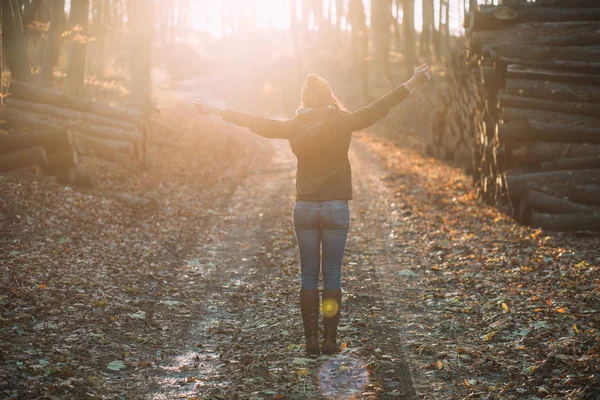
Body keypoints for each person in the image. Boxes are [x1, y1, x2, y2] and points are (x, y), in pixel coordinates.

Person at [194, 63, 431, 355]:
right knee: (331, 275)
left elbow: (255, 122)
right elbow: (379, 107)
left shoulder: (294, 126)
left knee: (308, 276)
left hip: (305, 207)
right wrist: (412, 81)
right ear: (328, 97)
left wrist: (217, 109)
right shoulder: (342, 121)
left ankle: (311, 343)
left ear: (305, 100)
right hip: (335, 208)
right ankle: (330, 341)